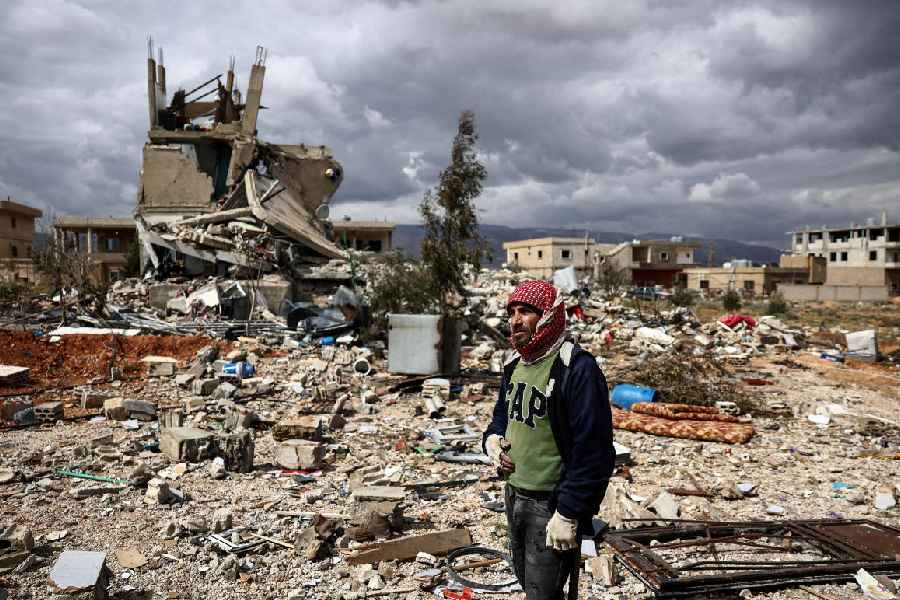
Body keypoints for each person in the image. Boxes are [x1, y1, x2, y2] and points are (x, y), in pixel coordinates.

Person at [483, 279, 615, 600]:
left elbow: (594, 450)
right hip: (514, 494)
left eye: (526, 311)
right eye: (511, 312)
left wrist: (569, 512)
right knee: (526, 580)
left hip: (550, 505)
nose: (515, 320)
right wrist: (492, 440)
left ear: (548, 316)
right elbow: (504, 415)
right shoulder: (515, 365)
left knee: (544, 593)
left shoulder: (576, 368)